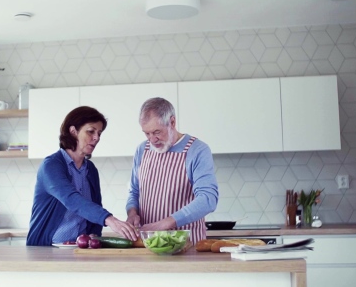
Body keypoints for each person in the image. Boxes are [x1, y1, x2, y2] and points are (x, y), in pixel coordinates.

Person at [27, 106, 138, 246]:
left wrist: (93, 235)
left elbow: (95, 205)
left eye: (99, 133)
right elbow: (71, 199)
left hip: (79, 248)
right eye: (91, 131)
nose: (97, 138)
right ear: (73, 131)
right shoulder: (51, 165)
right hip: (47, 249)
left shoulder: (91, 170)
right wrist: (110, 220)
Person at [125, 97, 219, 244]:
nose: (152, 140)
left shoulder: (197, 150)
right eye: (146, 133)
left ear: (172, 122)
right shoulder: (142, 149)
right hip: (149, 245)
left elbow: (208, 199)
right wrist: (132, 212)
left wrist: (165, 223)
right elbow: (134, 191)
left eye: (157, 132)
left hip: (187, 245)